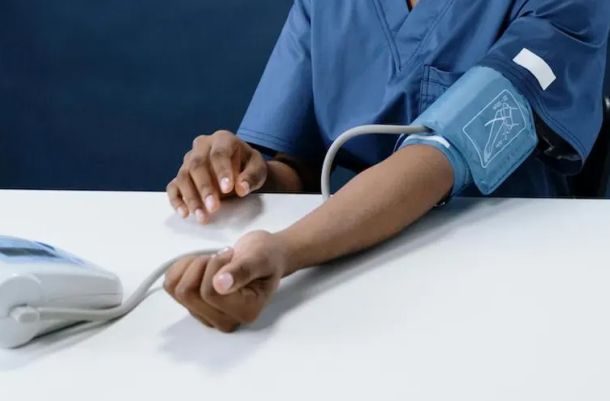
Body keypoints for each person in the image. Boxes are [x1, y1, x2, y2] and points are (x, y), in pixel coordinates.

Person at [163, 0, 610, 331]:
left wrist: (285, 251)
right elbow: (296, 166)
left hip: (513, 282)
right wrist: (243, 176)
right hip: (359, 272)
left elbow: (444, 153)